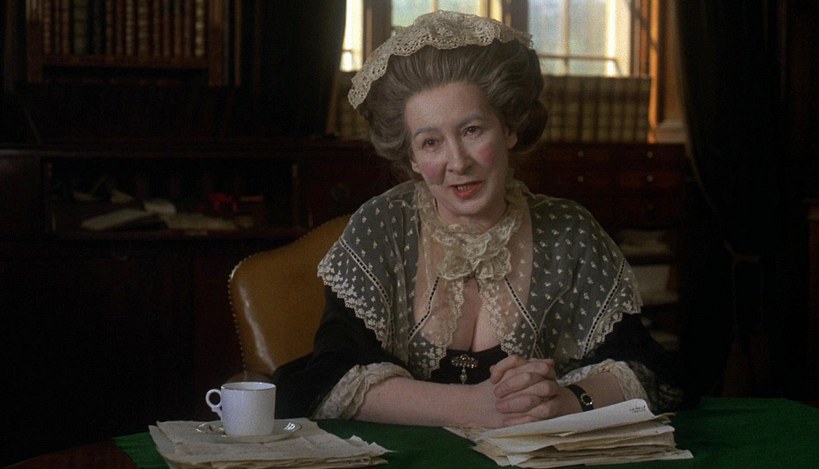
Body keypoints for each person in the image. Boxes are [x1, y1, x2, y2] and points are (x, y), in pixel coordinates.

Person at [274, 10, 689, 429]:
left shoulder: (569, 232)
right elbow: (331, 378)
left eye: (472, 130)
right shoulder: (382, 228)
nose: (457, 162)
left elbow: (648, 370)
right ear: (412, 158)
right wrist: (472, 407)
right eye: (431, 142)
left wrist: (567, 400)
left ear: (508, 129)